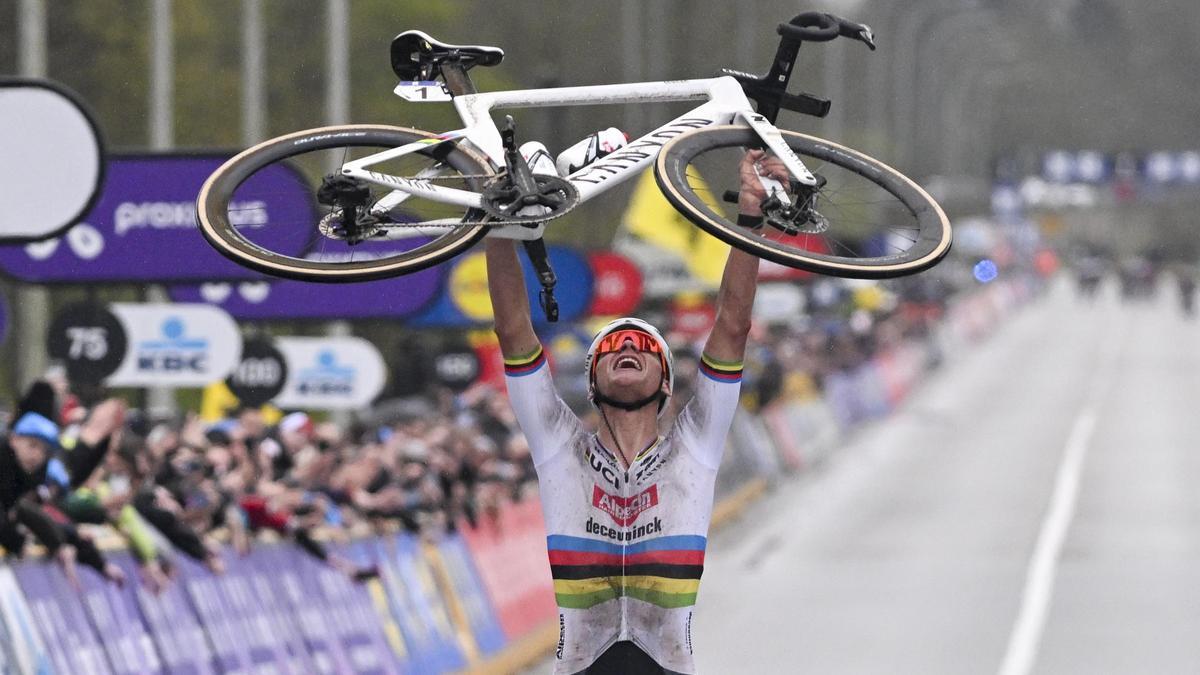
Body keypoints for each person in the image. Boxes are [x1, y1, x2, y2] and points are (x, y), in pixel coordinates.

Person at [485, 151, 783, 674]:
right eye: (612, 345)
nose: (628, 345)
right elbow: (513, 331)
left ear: (666, 382)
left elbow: (733, 325)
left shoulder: (696, 443)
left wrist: (751, 214)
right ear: (593, 383)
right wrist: (495, 228)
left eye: (643, 345)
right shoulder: (559, 445)